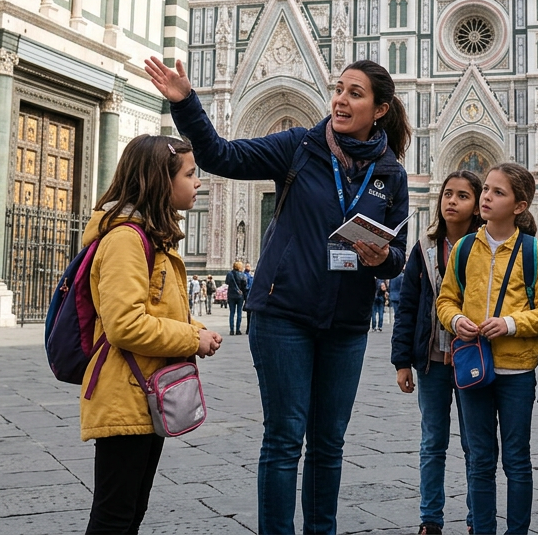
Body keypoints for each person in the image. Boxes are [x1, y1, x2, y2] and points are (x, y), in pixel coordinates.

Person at [147, 56, 410, 535]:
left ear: (381, 109)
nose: (341, 99)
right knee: (286, 437)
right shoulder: (301, 145)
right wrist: (186, 102)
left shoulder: (390, 172)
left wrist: (381, 259)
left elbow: (400, 254)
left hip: (347, 323)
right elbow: (221, 156)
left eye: (355, 93)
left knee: (329, 443)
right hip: (284, 313)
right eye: (339, 89)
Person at [79, 134, 223, 533]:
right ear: (162, 179)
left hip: (145, 392)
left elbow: (158, 308)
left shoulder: (151, 237)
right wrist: (192, 339)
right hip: (124, 393)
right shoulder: (127, 239)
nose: (198, 183)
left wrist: (197, 329)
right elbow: (125, 323)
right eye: (191, 174)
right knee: (114, 516)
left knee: (129, 513)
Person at [438, 163, 538, 535]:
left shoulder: (533, 252)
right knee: (479, 460)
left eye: (497, 192)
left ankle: (517, 531)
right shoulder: (463, 249)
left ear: (519, 206)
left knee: (517, 459)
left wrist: (510, 323)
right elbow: (446, 300)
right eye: (486, 190)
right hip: (473, 367)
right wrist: (455, 320)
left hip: (517, 372)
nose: (487, 197)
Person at [392, 170, 485, 535]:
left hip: (472, 360)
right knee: (433, 442)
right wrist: (402, 361)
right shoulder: (424, 248)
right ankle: (431, 519)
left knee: (475, 446)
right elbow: (407, 307)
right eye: (448, 194)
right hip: (431, 361)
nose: (452, 201)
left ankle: (478, 517)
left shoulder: (487, 248)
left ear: (477, 205)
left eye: (462, 196)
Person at [224, 261, 248, 336]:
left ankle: (231, 330)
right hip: (240, 296)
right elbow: (245, 285)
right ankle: (238, 330)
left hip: (231, 295)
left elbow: (227, 282)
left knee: (232, 313)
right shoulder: (243, 275)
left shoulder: (229, 274)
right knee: (239, 313)